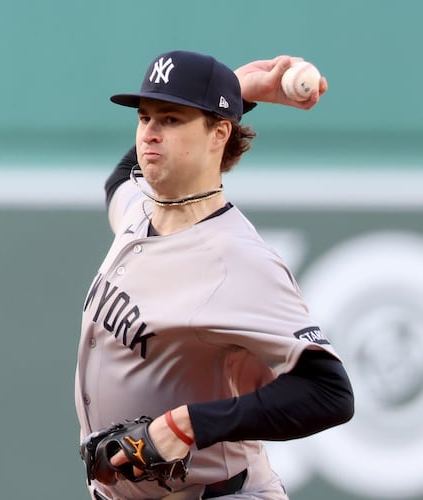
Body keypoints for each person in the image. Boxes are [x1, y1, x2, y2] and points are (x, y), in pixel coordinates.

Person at [75, 50, 354, 499]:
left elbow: (329, 394)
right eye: (145, 118)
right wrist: (235, 91)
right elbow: (118, 180)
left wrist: (188, 425)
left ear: (218, 134)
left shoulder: (236, 260)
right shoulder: (142, 211)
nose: (149, 134)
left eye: (170, 119)